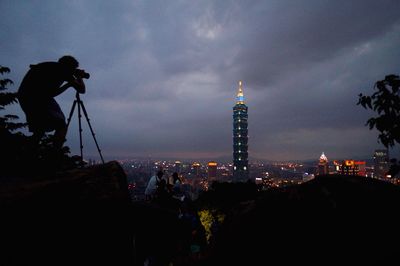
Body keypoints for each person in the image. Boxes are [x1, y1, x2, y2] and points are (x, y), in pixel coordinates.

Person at [18, 55, 86, 150]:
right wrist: (78, 78)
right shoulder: (61, 71)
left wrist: (72, 81)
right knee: (61, 125)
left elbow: (51, 93)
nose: (73, 72)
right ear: (68, 67)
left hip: (28, 96)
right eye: (73, 69)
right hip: (36, 98)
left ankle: (29, 153)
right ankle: (54, 155)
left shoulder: (52, 68)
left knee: (39, 130)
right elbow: (81, 89)